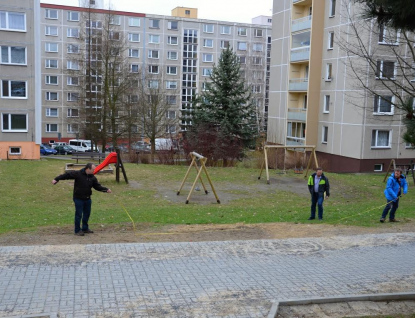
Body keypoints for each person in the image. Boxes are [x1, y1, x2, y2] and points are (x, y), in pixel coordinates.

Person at [52, 163, 112, 236]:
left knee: (87, 214)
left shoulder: (92, 177)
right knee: (79, 215)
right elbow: (66, 175)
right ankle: (77, 230)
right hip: (78, 198)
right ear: (88, 169)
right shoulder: (78, 174)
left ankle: (85, 228)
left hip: (87, 199)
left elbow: (97, 186)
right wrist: (56, 179)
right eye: (93, 169)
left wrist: (106, 190)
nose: (94, 170)